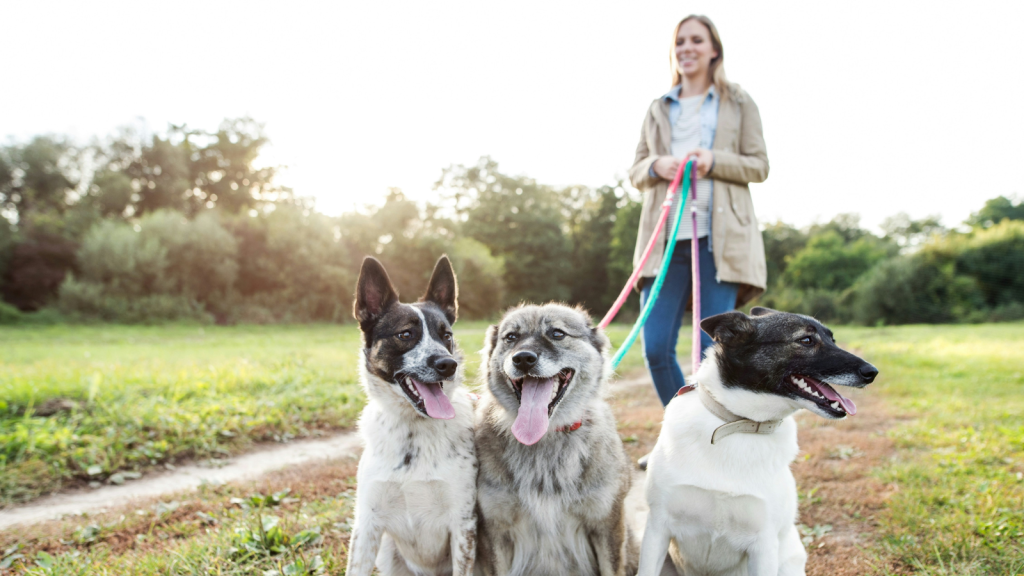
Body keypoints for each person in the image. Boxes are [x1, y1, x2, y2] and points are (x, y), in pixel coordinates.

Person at [629, 14, 769, 415]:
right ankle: (684, 425)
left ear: (713, 50)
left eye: (696, 40)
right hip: (664, 241)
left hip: (718, 242)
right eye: (680, 41)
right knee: (655, 346)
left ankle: (714, 438)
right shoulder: (659, 107)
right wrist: (658, 166)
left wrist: (713, 159)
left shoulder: (738, 102)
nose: (686, 48)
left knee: (713, 351)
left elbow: (759, 166)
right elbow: (637, 170)